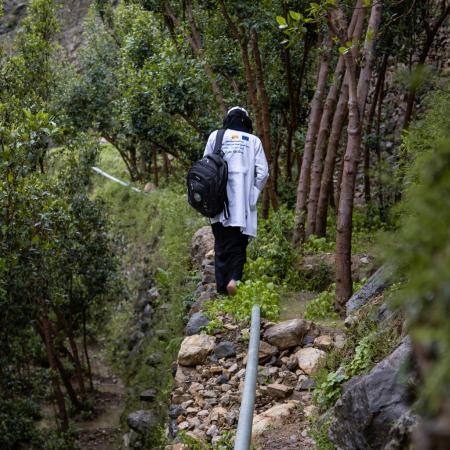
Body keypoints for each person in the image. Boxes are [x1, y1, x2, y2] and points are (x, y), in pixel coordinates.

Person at [203, 106, 269, 296]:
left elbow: (205, 164)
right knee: (239, 242)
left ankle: (222, 288)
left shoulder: (215, 136)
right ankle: (234, 279)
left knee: (221, 243)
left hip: (218, 199)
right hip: (242, 203)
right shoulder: (253, 141)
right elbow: (263, 173)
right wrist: (253, 193)